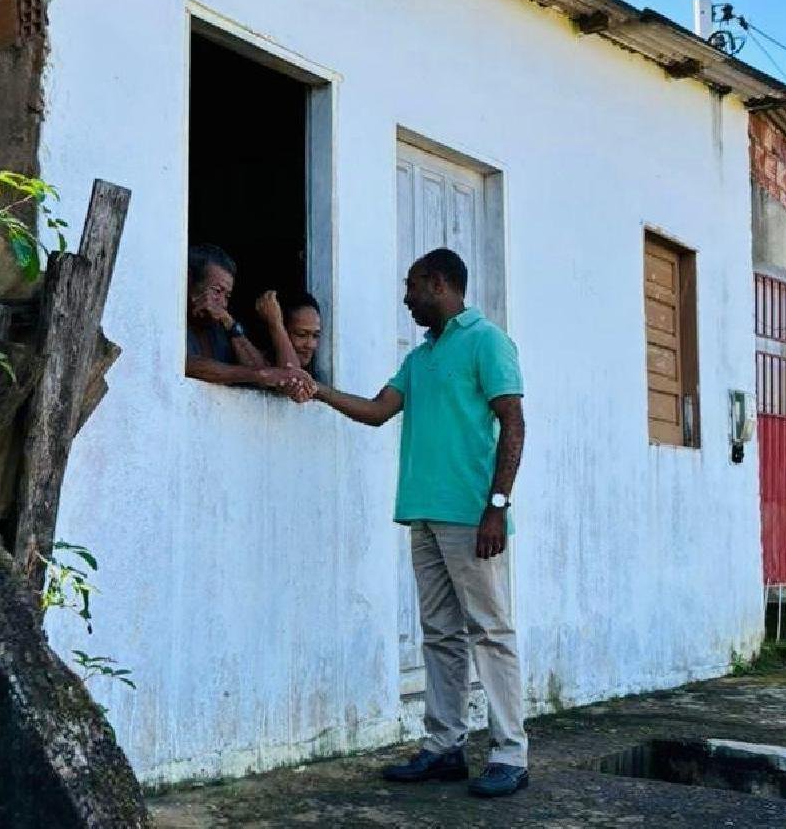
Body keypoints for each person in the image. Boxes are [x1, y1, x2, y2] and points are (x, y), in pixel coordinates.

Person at [311, 247, 529, 799]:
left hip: (472, 517)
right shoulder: (421, 356)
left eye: (411, 287)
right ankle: (444, 747)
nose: (406, 299)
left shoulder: (488, 342)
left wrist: (497, 507)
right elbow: (377, 410)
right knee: (440, 635)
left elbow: (513, 423)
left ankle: (509, 754)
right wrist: (316, 390)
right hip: (423, 515)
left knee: (490, 631)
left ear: (438, 283)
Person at [184, 243, 313, 398]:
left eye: (227, 296)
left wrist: (231, 325)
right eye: (217, 291)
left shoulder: (219, 328)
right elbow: (187, 365)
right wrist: (259, 374)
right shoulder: (170, 320)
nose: (223, 303)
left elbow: (264, 375)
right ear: (189, 281)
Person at [256, 290, 322, 377]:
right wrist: (276, 325)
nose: (310, 345)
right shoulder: (256, 364)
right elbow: (294, 378)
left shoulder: (318, 375)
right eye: (301, 335)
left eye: (315, 335)